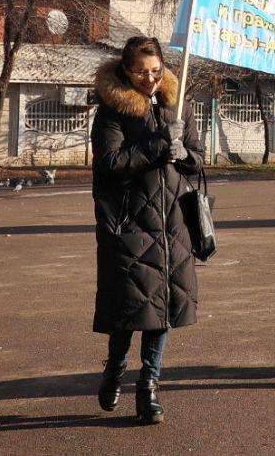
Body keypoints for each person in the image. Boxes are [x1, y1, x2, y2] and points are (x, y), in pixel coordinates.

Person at [91, 36, 204, 424]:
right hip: (129, 225)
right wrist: (158, 145)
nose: (150, 78)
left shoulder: (176, 104)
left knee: (162, 311)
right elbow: (110, 161)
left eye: (156, 70)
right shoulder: (113, 111)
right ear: (126, 70)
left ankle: (149, 388)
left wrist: (184, 151)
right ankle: (115, 372)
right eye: (141, 71)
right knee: (130, 312)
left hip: (171, 222)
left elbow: (197, 160)